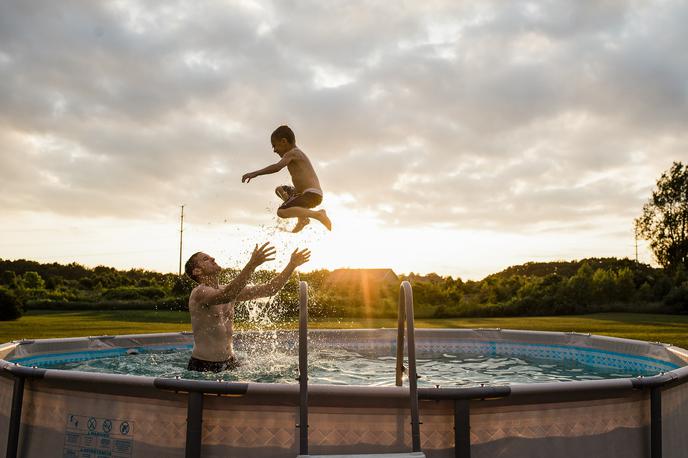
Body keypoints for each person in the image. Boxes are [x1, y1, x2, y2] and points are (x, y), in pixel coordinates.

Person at [184, 243, 311, 372]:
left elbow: (270, 289)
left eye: (211, 257)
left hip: (230, 362)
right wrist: (252, 264)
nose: (213, 259)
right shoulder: (199, 293)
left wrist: (291, 265)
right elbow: (228, 294)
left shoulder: (226, 289)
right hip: (204, 366)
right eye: (206, 259)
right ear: (197, 271)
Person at [242, 125, 332, 233]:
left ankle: (318, 214)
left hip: (312, 195)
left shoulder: (293, 153)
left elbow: (277, 167)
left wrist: (255, 173)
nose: (274, 150)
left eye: (275, 146)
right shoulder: (295, 153)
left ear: (284, 141)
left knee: (282, 212)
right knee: (280, 190)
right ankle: (302, 217)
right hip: (304, 193)